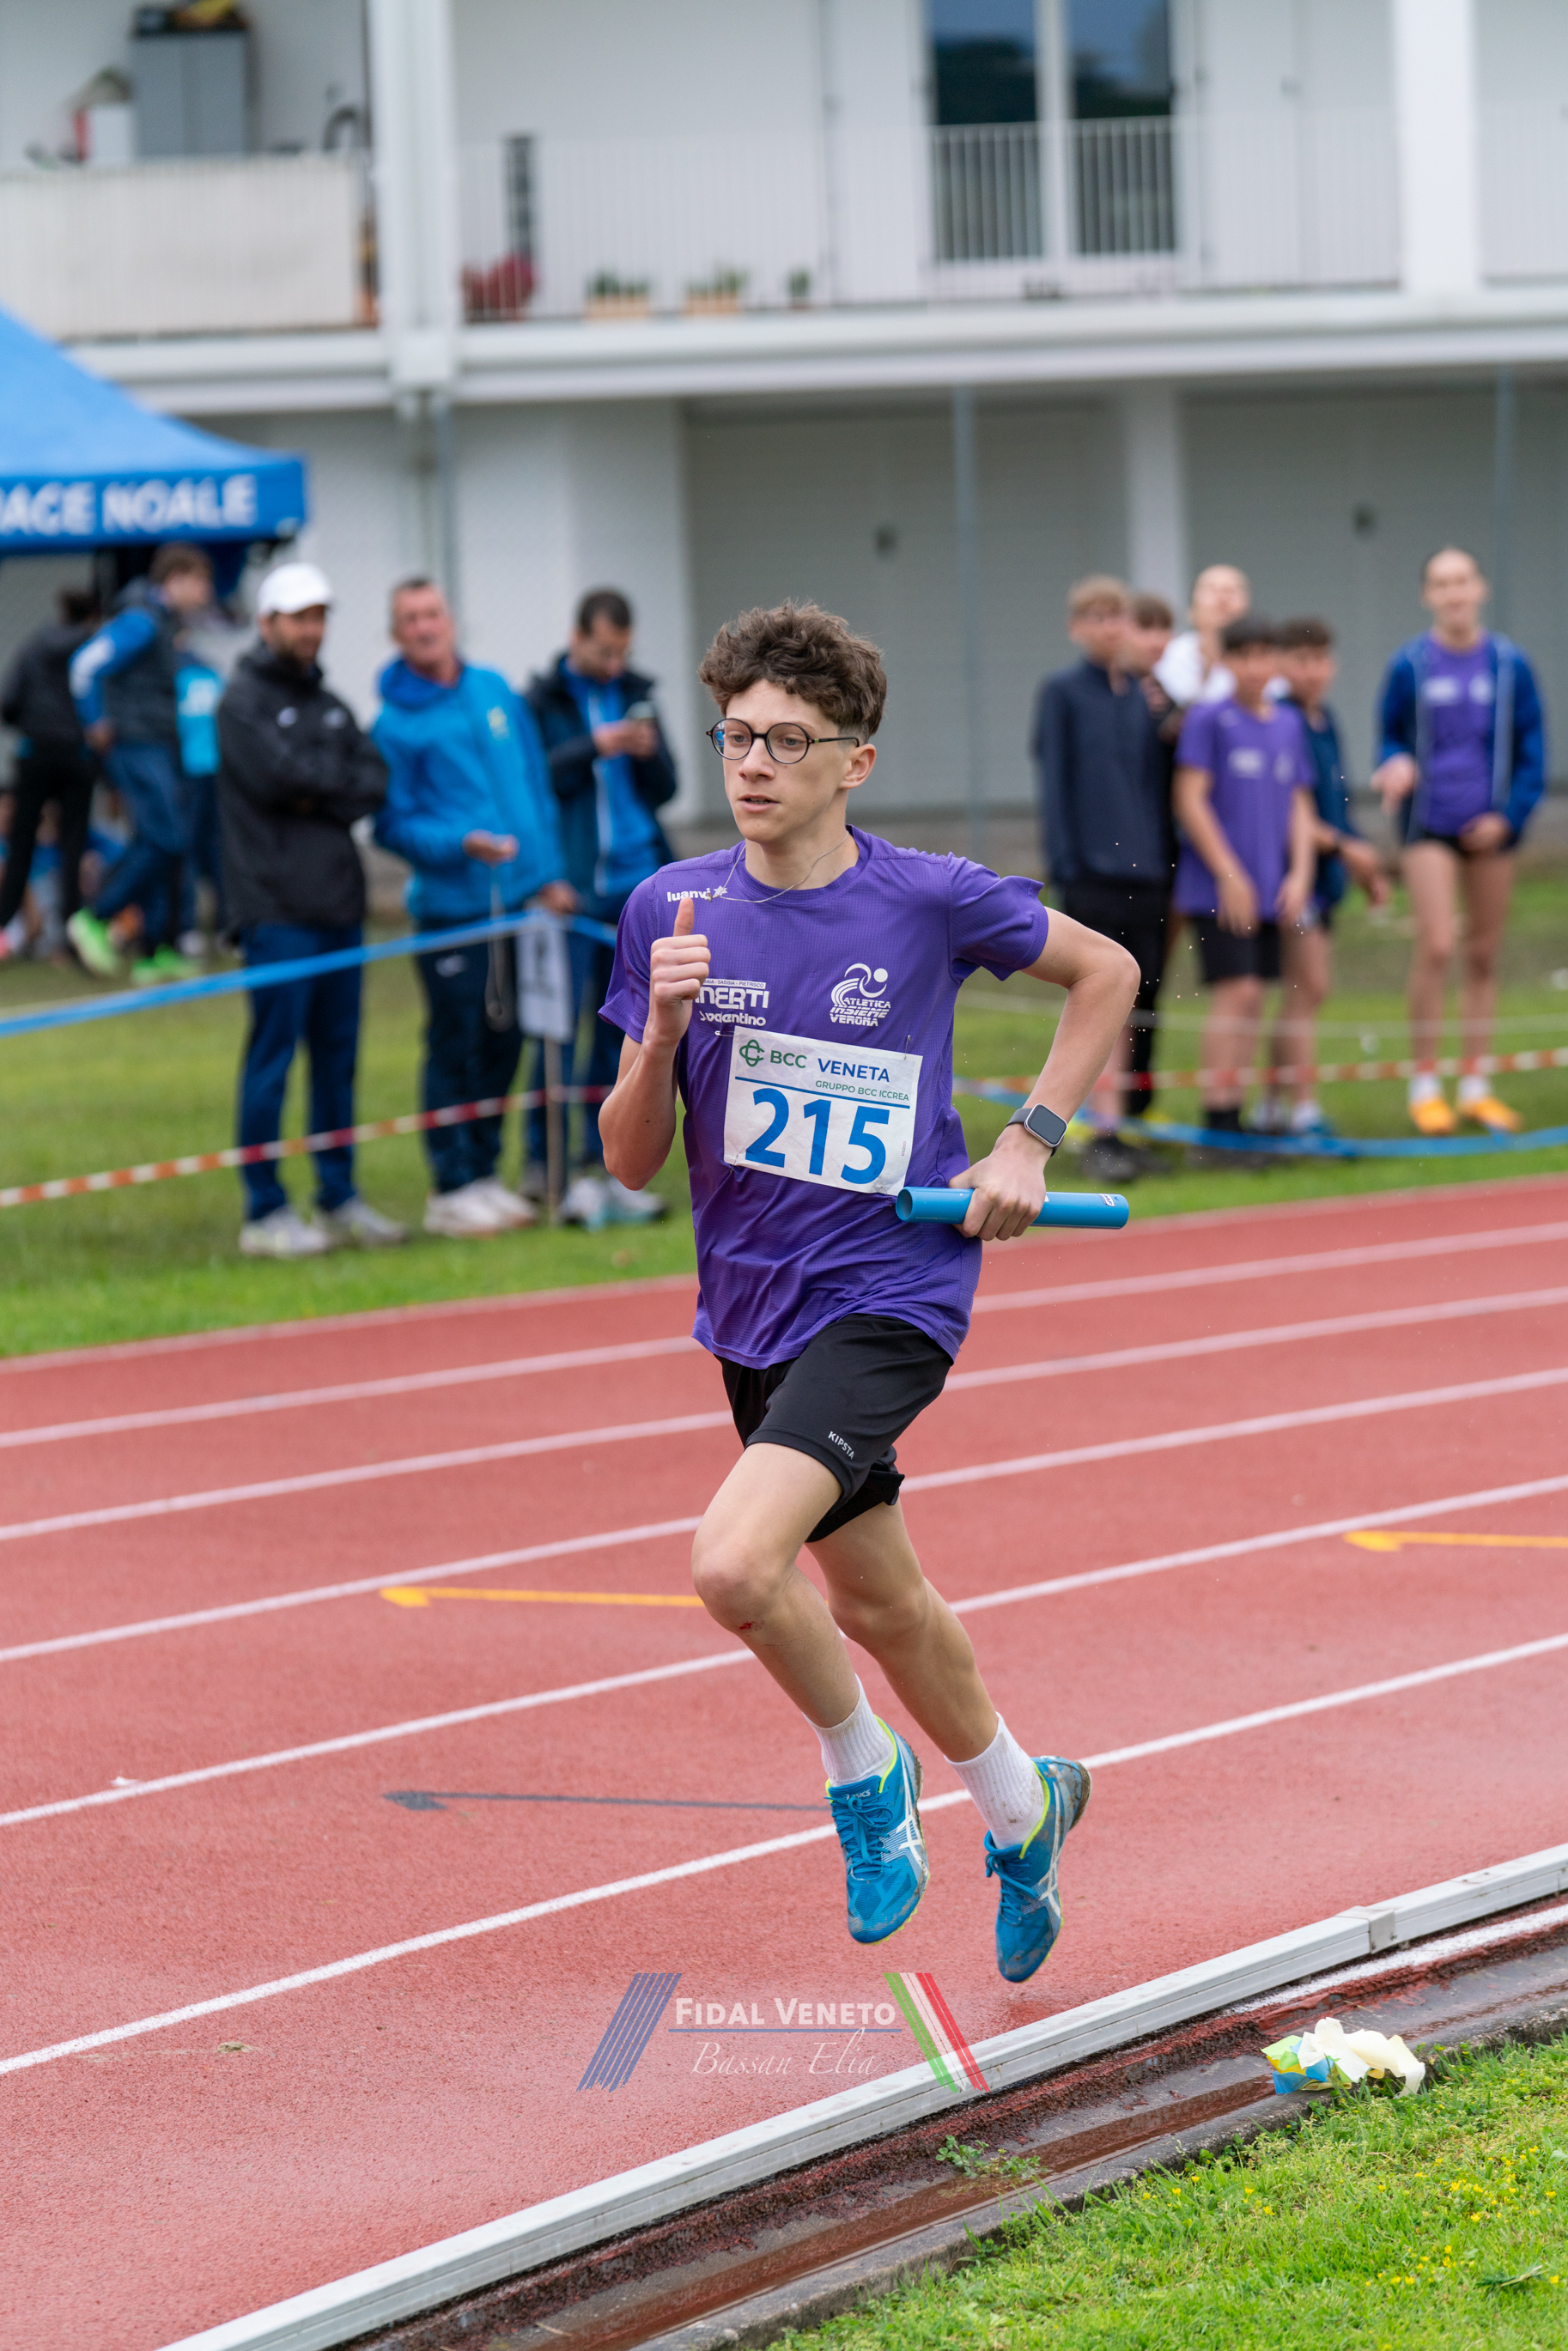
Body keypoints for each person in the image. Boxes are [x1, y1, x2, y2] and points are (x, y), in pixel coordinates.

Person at [599, 601, 1136, 1977]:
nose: (753, 763)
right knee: (880, 1604)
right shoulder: (670, 910)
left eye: (788, 740)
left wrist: (1027, 1140)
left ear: (855, 761)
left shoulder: (925, 895)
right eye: (736, 735)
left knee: (734, 1563)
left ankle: (864, 1768)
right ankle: (1024, 1805)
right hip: (748, 1307)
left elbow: (1106, 971)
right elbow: (629, 1157)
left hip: (891, 1288)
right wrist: (657, 1034)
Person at [374, 578, 575, 1238]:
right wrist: (460, 843)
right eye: (410, 619)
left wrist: (548, 873)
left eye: (432, 613)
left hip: (518, 905)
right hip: (452, 913)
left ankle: (485, 1171)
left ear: (451, 620)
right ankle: (451, 1184)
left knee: (504, 1040)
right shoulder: (394, 725)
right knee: (455, 1045)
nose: (424, 627)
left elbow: (533, 786)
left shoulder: (493, 688)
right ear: (396, 634)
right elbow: (391, 826)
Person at [217, 562, 405, 1260]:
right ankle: (264, 1209)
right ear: (267, 623)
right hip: (274, 910)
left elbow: (371, 782)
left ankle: (338, 1194)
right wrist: (326, 784)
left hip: (337, 907)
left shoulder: (329, 703)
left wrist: (315, 787)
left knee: (337, 1060)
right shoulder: (240, 703)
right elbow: (277, 778)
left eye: (319, 616)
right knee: (272, 1059)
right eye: (299, 617)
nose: (311, 629)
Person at [1372, 548, 1547, 1136]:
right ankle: (1425, 1085)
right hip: (1429, 825)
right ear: (1427, 595)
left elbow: (1533, 749)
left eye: (1462, 581)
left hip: (1492, 827)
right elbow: (1388, 737)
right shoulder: (1409, 664)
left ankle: (1475, 1086)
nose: (1453, 593)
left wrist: (1509, 817)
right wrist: (1395, 762)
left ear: (1480, 588)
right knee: (1439, 943)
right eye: (1441, 584)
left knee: (1482, 954)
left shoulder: (1510, 664)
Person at [526, 588, 677, 1227]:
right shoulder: (541, 701)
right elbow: (533, 778)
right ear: (577, 637)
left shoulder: (638, 692)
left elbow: (668, 788)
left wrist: (646, 751)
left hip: (636, 886)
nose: (615, 664)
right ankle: (548, 1166)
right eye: (605, 651)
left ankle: (607, 1165)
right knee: (561, 1033)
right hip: (576, 892)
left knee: (625, 1035)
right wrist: (596, 745)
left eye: (623, 653)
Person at [1032, 575, 1173, 1178]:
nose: (1108, 626)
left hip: (1148, 871)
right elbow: (1054, 782)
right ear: (1076, 627)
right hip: (1092, 873)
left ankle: (1130, 1126)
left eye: (1116, 615)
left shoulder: (1144, 695)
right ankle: (1101, 1131)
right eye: (1095, 616)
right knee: (1102, 998)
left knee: (1142, 998)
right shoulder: (1061, 692)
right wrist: (1067, 865)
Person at [1172, 615, 1316, 1138]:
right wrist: (1228, 873)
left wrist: (1300, 873)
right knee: (1236, 993)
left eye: (1264, 655)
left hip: (1271, 888)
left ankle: (1236, 1117)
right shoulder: (1209, 719)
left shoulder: (1289, 724)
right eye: (1243, 656)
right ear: (1228, 661)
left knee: (1255, 997)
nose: (1255, 667)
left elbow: (1299, 803)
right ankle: (1218, 1122)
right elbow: (1189, 799)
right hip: (1219, 890)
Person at [1257, 617, 1389, 1139]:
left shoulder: (1324, 720)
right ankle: (1302, 1110)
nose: (1312, 671)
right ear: (1281, 665)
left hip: (1326, 878)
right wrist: (1342, 846)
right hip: (1294, 877)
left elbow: (1336, 804)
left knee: (1304, 992)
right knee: (1308, 988)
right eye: (1301, 660)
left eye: (1320, 660)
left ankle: (1271, 1106)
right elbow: (1287, 808)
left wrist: (1360, 859)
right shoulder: (1280, 719)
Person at [67, 542, 214, 985]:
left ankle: (156, 948)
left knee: (168, 842)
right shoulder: (140, 621)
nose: (206, 594)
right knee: (165, 839)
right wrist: (95, 721)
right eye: (201, 583)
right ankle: (95, 917)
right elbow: (84, 665)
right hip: (136, 746)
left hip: (158, 745)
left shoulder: (164, 622)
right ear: (177, 579)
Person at [0, 588, 101, 960]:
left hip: (35, 754)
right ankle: (71, 938)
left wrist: (34, 725)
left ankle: (4, 928)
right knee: (73, 844)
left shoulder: (33, 646)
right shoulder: (94, 647)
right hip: (77, 754)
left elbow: (8, 702)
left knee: (21, 844)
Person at [1155, 563, 1251, 709]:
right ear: (1191, 611)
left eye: (1232, 591)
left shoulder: (1269, 664)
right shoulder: (1167, 657)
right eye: (1212, 590)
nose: (1223, 598)